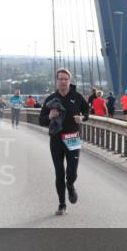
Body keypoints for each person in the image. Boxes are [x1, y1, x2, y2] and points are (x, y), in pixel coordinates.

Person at [38, 68, 90, 215]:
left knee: (71, 172)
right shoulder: (50, 99)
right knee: (59, 173)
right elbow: (41, 120)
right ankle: (62, 204)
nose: (63, 81)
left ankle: (70, 185)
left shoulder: (77, 97)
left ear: (69, 81)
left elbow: (87, 111)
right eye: (60, 79)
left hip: (72, 138)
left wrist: (82, 118)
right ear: (57, 81)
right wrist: (49, 116)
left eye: (65, 79)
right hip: (56, 140)